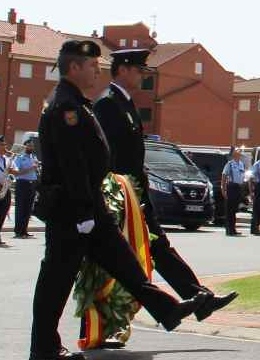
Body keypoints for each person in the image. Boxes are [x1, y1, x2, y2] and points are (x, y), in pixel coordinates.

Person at [27, 40, 203, 360]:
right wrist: (83, 213)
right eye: (92, 65)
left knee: (125, 263)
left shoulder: (79, 103)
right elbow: (72, 165)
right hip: (73, 210)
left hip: (91, 206)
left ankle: (167, 309)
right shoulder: (66, 108)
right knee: (56, 277)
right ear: (75, 67)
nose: (97, 71)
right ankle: (43, 346)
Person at [93, 48, 237, 319]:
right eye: (138, 70)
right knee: (117, 259)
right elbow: (109, 154)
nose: (141, 76)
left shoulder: (124, 102)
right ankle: (106, 322)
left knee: (159, 246)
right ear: (122, 69)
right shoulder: (107, 104)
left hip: (136, 192)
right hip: (121, 193)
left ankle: (198, 297)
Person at [10, 138, 41, 238]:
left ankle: (24, 230)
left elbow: (35, 169)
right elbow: (17, 172)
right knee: (21, 208)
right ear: (25, 146)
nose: (31, 147)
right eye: (29, 145)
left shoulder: (33, 157)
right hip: (22, 183)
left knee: (28, 208)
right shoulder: (20, 157)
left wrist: (37, 169)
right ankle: (18, 231)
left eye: (32, 146)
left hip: (32, 184)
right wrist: (31, 168)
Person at [221, 147, 247, 236]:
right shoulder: (230, 164)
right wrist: (223, 188)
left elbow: (243, 176)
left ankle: (233, 228)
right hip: (231, 187)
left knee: (235, 209)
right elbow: (224, 175)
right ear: (234, 154)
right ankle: (229, 229)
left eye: (240, 153)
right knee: (229, 209)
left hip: (238, 187)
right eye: (238, 152)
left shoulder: (241, 164)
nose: (240, 154)